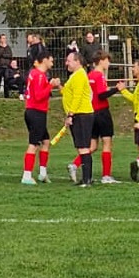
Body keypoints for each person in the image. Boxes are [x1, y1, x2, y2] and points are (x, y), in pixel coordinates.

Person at [70, 50, 120, 185]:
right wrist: (116, 89)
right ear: (101, 61)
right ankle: (106, 175)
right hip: (102, 112)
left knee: (92, 145)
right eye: (107, 60)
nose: (109, 63)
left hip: (91, 112)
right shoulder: (99, 76)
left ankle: (75, 164)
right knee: (107, 143)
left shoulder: (89, 75)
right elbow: (101, 95)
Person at [21, 52, 59, 185]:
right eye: (51, 60)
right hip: (36, 112)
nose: (52, 63)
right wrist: (51, 85)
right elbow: (38, 96)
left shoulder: (34, 73)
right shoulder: (39, 75)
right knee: (34, 144)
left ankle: (43, 173)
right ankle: (26, 175)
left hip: (34, 111)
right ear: (44, 60)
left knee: (46, 141)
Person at [60, 51, 95, 187]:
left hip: (82, 114)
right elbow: (69, 94)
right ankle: (86, 178)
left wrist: (70, 115)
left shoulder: (80, 75)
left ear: (77, 62)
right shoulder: (75, 76)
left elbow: (77, 96)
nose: (66, 63)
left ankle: (87, 179)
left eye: (69, 61)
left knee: (83, 147)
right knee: (81, 147)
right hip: (79, 114)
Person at [0, 34, 12, 99]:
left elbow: (10, 55)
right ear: (0, 39)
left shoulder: (8, 47)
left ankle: (6, 95)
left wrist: (3, 55)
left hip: (6, 66)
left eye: (5, 38)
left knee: (6, 80)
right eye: (3, 38)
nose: (4, 40)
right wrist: (3, 48)